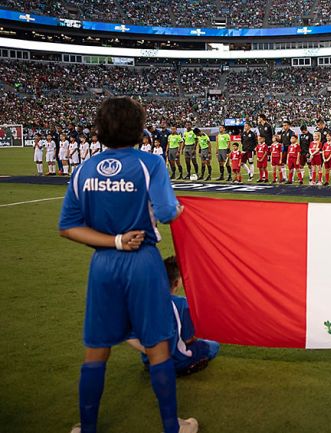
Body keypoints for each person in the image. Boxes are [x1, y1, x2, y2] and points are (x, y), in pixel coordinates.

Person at [58, 97, 196, 433]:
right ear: (139, 130)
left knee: (96, 349)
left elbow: (68, 226)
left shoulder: (83, 169)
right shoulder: (150, 164)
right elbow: (165, 212)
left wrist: (114, 241)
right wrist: (179, 211)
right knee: (157, 345)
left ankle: (87, 427)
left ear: (100, 131)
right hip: (143, 263)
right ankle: (171, 427)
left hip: (103, 264)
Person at [126, 256, 220, 376]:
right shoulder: (182, 304)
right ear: (176, 283)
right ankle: (185, 366)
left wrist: (150, 352)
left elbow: (129, 336)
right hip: (176, 360)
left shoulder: (142, 302)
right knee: (213, 345)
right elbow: (188, 339)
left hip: (151, 360)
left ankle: (153, 364)